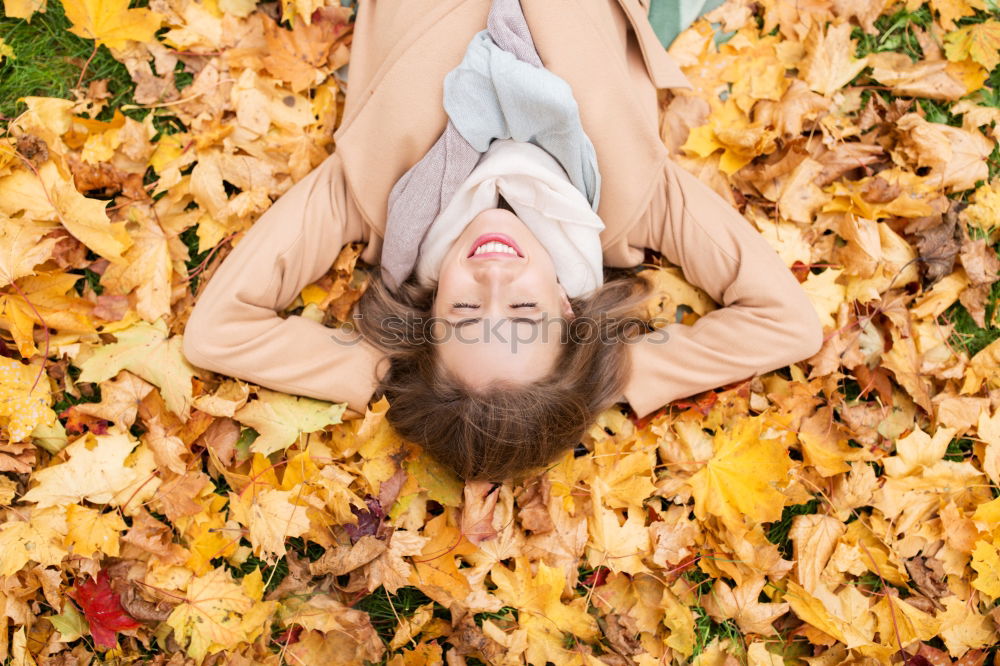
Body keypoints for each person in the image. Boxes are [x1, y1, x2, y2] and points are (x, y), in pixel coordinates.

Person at [182, 0, 824, 482]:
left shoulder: (373, 195)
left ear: (427, 319)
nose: (492, 281)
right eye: (523, 312)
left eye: (463, 314)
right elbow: (786, 323)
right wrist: (604, 379)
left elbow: (219, 332)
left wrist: (388, 372)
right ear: (570, 313)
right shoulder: (631, 204)